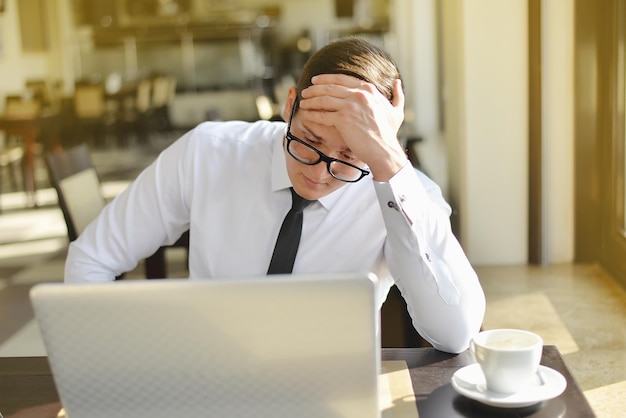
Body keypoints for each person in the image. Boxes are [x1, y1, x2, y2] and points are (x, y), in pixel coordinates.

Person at [64, 36, 485, 354]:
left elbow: (455, 333)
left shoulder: (405, 193)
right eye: (308, 140)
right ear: (288, 106)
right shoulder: (208, 152)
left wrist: (389, 164)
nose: (320, 172)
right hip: (208, 384)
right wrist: (113, 361)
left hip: (331, 395)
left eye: (348, 156)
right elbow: (92, 259)